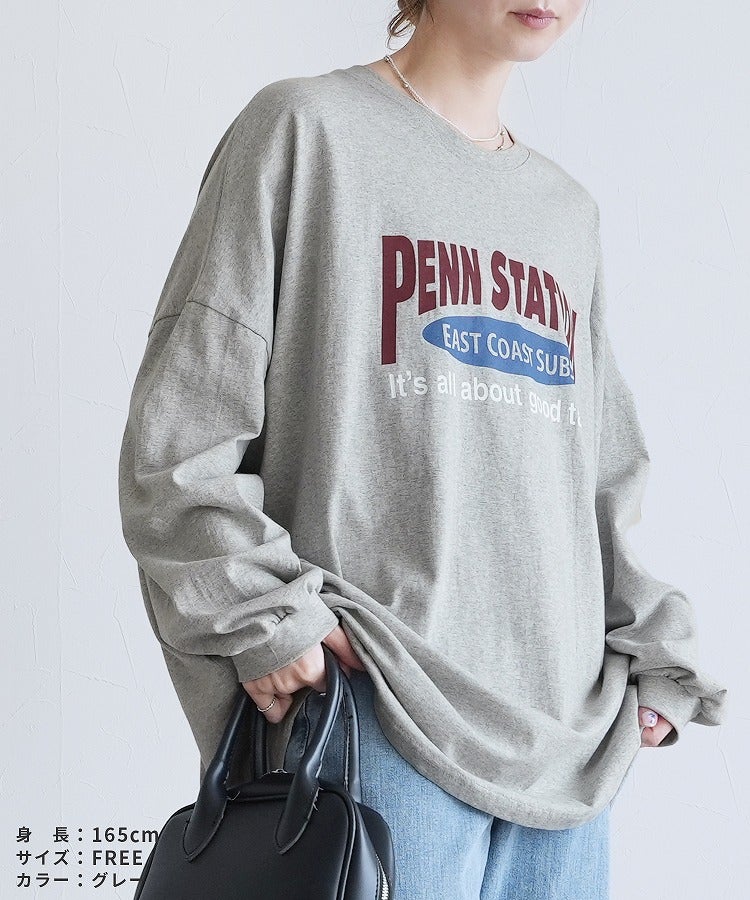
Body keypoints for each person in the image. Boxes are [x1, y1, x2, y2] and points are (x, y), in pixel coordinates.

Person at [117, 1, 729, 897]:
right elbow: (179, 439)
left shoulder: (565, 212)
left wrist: (654, 653)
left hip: (572, 749)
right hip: (378, 708)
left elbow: (598, 476)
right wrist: (268, 620)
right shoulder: (305, 131)